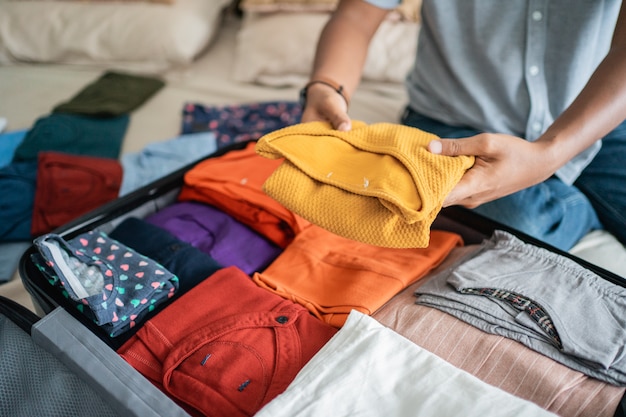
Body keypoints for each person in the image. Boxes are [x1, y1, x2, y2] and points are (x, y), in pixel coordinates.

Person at [299, 0, 626, 252]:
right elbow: (357, 14)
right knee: (520, 225)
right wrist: (328, 86)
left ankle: (568, 199)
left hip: (599, 117)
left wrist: (549, 155)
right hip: (456, 125)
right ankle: (581, 208)